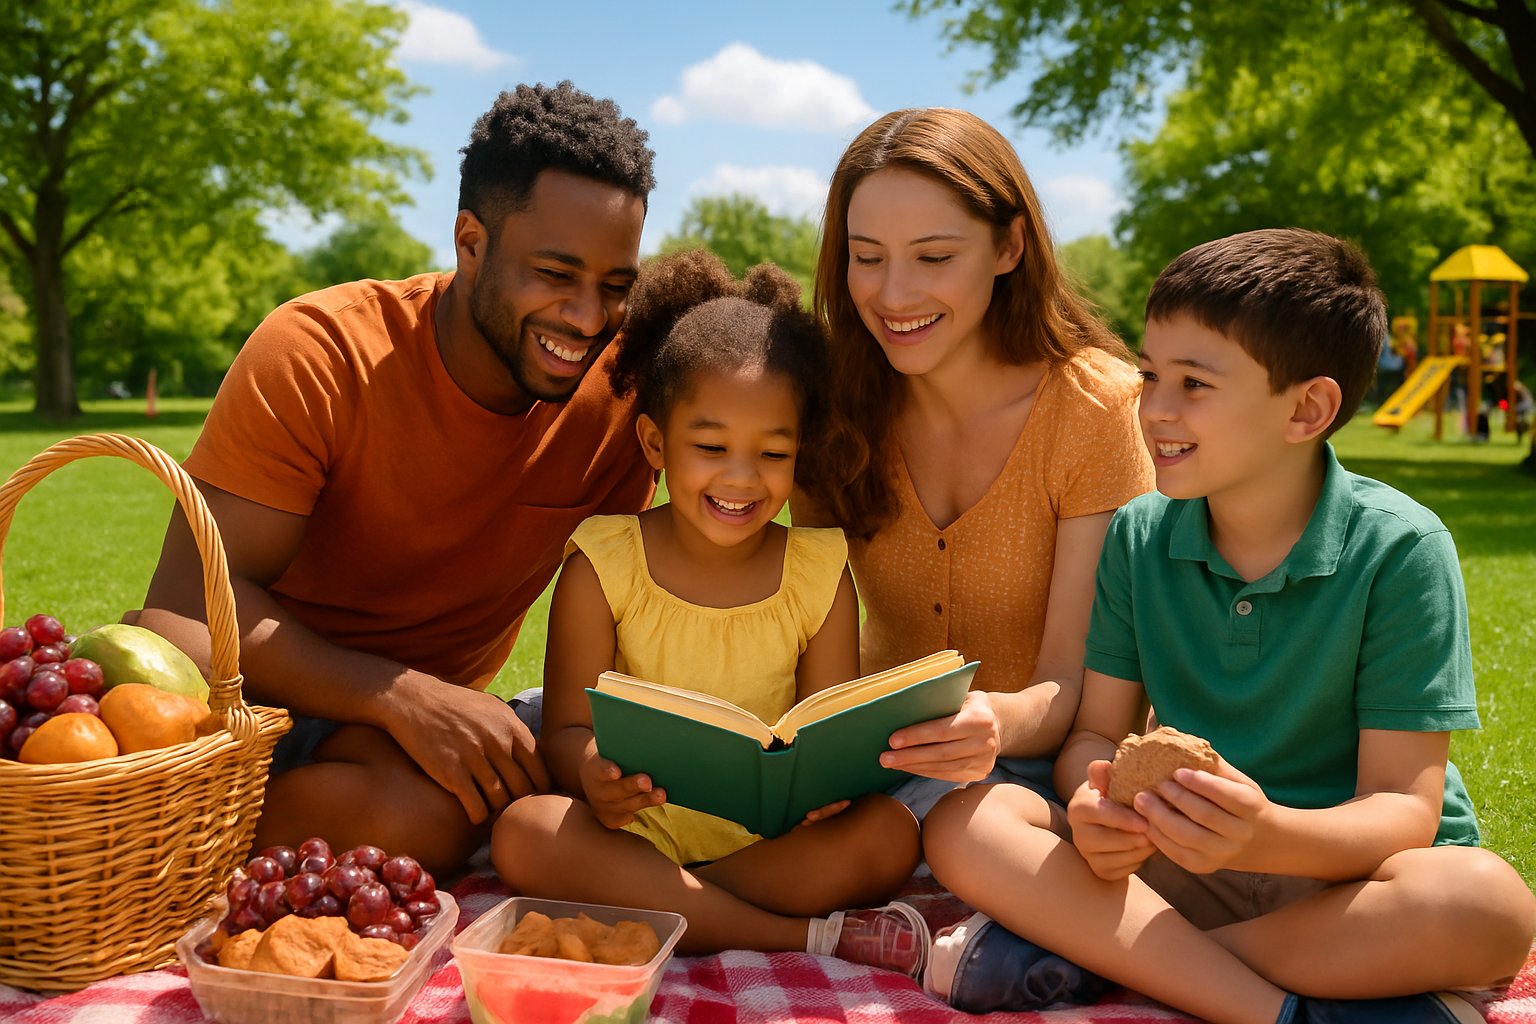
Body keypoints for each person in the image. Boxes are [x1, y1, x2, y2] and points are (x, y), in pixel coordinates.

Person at [920, 228, 1536, 1022]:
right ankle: (1279, 1008)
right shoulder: (1140, 537)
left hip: (1337, 879)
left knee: (1488, 903)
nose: (1156, 410)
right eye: (1149, 376)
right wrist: (1098, 805)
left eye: (1194, 384)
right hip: (1177, 866)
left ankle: (1120, 964)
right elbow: (1096, 738)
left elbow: (1404, 812)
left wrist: (1263, 836)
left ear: (1308, 408)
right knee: (969, 818)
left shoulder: (1401, 549)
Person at [135, 82, 659, 877]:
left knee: (451, 806)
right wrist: (397, 693)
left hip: (401, 748)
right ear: (470, 240)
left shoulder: (623, 402)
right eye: (555, 273)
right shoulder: (320, 353)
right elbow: (181, 610)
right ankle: (154, 841)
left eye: (616, 287)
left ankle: (192, 847)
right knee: (433, 809)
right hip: (237, 707)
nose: (588, 318)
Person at [492, 249, 928, 975]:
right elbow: (566, 732)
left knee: (889, 833)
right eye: (711, 447)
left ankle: (668, 908)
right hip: (633, 833)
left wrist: (825, 794)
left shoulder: (819, 569)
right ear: (657, 444)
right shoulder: (605, 560)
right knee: (523, 832)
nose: (740, 477)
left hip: (769, 848)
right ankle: (792, 936)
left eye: (772, 453)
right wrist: (593, 768)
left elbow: (824, 739)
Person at [793, 108, 1153, 853]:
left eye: (933, 257)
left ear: (1008, 246)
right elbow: (805, 635)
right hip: (872, 772)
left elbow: (1075, 685)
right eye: (867, 257)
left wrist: (991, 721)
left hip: (1036, 779)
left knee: (965, 837)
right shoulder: (831, 409)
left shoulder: (1096, 410)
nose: (893, 295)